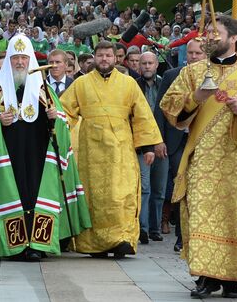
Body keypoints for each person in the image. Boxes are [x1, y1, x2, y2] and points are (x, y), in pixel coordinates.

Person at [161, 15, 237, 298]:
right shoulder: (192, 72)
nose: (208, 38)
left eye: (215, 34)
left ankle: (234, 279)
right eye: (206, 34)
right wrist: (196, 98)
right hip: (202, 159)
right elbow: (169, 107)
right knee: (203, 214)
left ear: (233, 39)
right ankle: (207, 276)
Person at [0, 34, 90, 260]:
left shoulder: (44, 90)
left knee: (37, 197)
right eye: (16, 58)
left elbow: (62, 122)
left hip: (39, 157)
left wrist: (54, 117)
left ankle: (38, 246)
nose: (20, 63)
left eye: (24, 58)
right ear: (9, 60)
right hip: (8, 158)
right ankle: (14, 246)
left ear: (31, 62)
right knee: (14, 195)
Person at [61, 40, 162, 259]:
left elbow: (142, 115)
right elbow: (65, 112)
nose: (104, 59)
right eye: (100, 56)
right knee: (93, 196)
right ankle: (95, 243)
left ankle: (121, 240)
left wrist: (147, 148)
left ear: (116, 58)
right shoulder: (81, 84)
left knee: (121, 194)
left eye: (108, 55)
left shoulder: (128, 83)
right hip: (90, 149)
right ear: (94, 58)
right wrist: (59, 135)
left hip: (121, 147)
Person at [154, 38, 205, 252]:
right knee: (179, 186)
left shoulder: (213, 78)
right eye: (190, 53)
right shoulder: (171, 75)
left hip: (201, 140)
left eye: (198, 54)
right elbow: (160, 110)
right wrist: (159, 140)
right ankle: (181, 236)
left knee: (199, 188)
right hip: (176, 140)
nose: (192, 57)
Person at [136, 51, 168, 245]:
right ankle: (143, 229)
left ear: (157, 65)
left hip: (162, 143)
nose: (147, 66)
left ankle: (156, 228)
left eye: (150, 63)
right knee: (144, 187)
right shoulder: (133, 84)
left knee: (159, 189)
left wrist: (161, 141)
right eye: (144, 63)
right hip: (142, 144)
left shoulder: (165, 84)